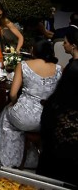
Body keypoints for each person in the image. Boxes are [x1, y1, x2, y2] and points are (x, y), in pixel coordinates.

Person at [0, 39, 61, 169]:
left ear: (33, 51)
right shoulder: (59, 69)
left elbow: (13, 94)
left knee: (4, 115)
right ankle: (34, 159)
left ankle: (11, 159)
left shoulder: (23, 65)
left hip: (25, 116)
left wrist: (13, 104)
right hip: (48, 118)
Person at [37, 27, 78, 185]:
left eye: (66, 42)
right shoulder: (70, 65)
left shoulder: (73, 69)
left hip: (65, 127)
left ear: (73, 45)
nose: (63, 45)